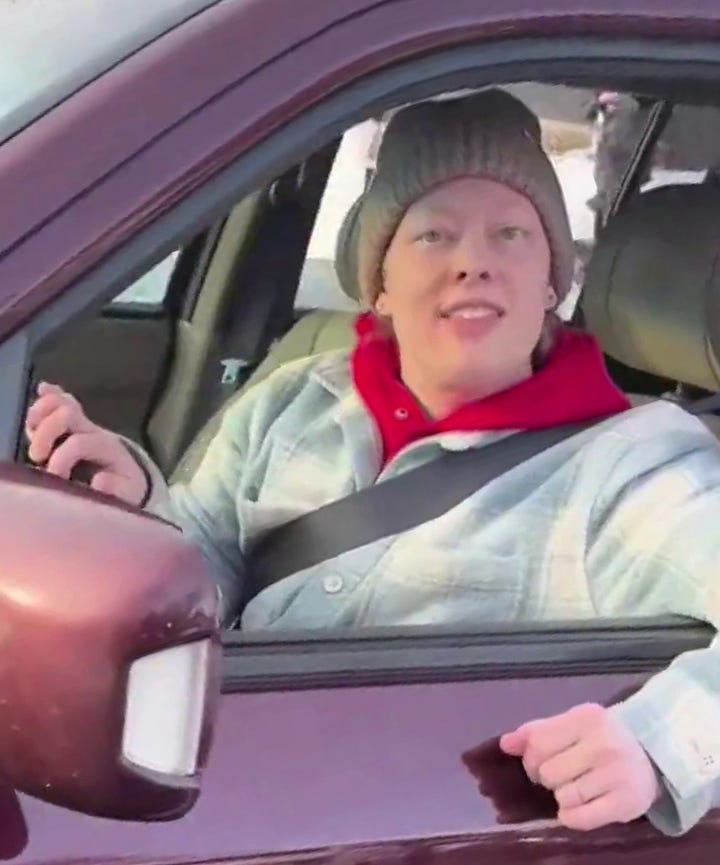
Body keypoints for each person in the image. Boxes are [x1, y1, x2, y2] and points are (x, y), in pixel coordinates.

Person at [24, 90, 720, 836]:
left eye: (512, 233)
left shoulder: (631, 464)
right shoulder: (295, 397)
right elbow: (207, 569)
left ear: (554, 279)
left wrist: (658, 739)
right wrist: (133, 510)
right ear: (379, 283)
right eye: (432, 235)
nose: (473, 263)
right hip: (211, 793)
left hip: (416, 824)